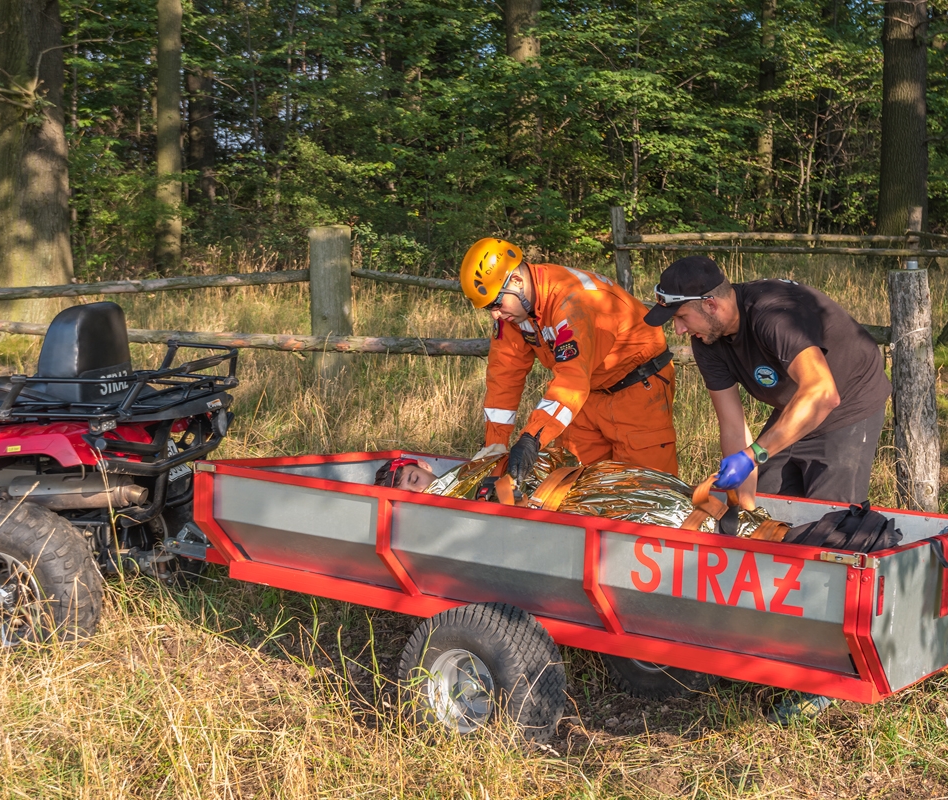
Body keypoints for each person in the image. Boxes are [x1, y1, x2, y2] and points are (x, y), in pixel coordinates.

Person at [643, 255, 891, 724]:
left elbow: (822, 393)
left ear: (711, 304)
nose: (678, 331)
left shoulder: (775, 314)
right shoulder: (708, 339)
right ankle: (771, 645)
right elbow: (733, 427)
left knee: (827, 531)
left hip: (847, 399)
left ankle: (826, 677)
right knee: (772, 517)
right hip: (796, 404)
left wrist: (756, 455)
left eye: (681, 317)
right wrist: (745, 508)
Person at [460, 238, 679, 485]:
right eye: (488, 307)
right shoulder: (515, 312)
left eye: (496, 303)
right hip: (586, 397)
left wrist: (532, 438)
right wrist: (494, 446)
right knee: (572, 486)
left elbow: (572, 377)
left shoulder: (573, 302)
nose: (495, 314)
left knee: (644, 494)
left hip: (638, 390)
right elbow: (503, 377)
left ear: (517, 282)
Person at [374, 447, 772, 536]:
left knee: (657, 492)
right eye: (410, 494)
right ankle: (737, 531)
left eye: (413, 480)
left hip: (578, 485)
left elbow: (540, 457)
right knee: (658, 515)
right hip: (564, 505)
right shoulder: (438, 515)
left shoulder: (471, 469)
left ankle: (743, 526)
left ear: (423, 466)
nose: (420, 490)